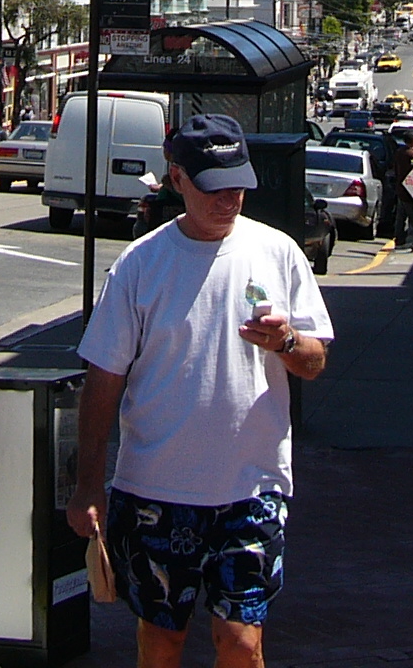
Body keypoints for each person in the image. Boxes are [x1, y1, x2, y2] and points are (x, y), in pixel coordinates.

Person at [67, 114, 334, 668]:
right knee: (162, 643)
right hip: (155, 493)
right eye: (214, 187)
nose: (228, 200)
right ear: (177, 179)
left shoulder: (279, 252)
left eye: (238, 185)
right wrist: (88, 484)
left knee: (241, 643)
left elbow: (315, 362)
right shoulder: (141, 264)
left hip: (252, 489)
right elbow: (103, 381)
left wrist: (286, 341)